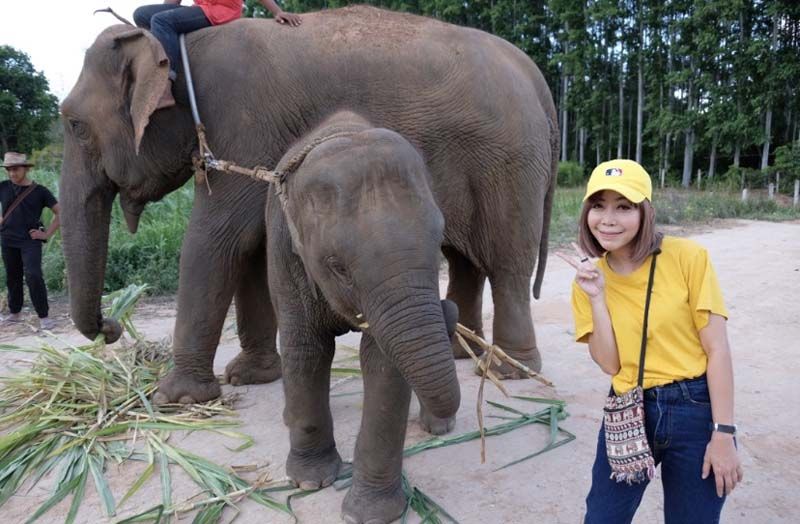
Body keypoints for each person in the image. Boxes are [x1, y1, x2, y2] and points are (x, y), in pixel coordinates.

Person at [559, 159, 743, 523]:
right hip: (628, 407)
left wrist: (724, 433)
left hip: (693, 407)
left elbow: (717, 349)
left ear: (645, 211)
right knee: (602, 518)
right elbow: (610, 365)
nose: (608, 219)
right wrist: (597, 297)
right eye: (598, 205)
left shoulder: (688, 258)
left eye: (623, 207)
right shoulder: (587, 279)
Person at [133, 0, 302, 109]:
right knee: (141, 14)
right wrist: (166, 10)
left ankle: (165, 86)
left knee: (161, 21)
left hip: (221, 9)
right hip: (201, 8)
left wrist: (277, 11)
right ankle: (162, 54)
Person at [0, 152, 60, 330]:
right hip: (7, 238)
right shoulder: (3, 187)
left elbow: (61, 212)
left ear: (25, 169)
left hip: (29, 240)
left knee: (33, 275)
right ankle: (15, 313)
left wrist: (46, 234)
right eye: (9, 170)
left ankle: (44, 316)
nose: (12, 174)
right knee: (13, 276)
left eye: (16, 169)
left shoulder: (40, 191)